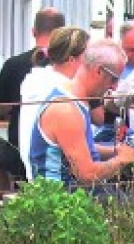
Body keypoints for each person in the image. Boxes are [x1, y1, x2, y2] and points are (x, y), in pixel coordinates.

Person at [28, 38, 134, 196]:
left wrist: (117, 150)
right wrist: (122, 159)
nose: (114, 86)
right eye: (114, 78)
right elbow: (86, 175)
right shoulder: (66, 110)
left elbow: (80, 147)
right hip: (62, 203)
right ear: (99, 71)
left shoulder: (75, 100)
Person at [0, 7, 67, 197]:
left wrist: (16, 105)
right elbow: (97, 117)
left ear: (33, 31)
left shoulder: (14, 64)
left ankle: (6, 194)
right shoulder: (71, 67)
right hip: (64, 155)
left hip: (21, 154)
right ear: (63, 34)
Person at [18, 25, 93, 176]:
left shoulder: (37, 79)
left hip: (31, 169)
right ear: (72, 59)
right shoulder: (63, 92)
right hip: (51, 179)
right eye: (89, 57)